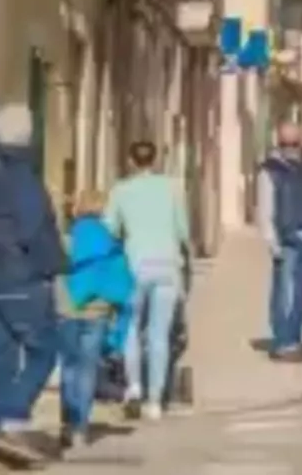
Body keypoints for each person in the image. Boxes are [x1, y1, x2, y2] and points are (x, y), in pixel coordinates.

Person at [0, 103, 67, 466]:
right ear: (29, 137)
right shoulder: (24, 178)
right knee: (44, 351)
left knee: (2, 359)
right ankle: (12, 419)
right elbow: (35, 230)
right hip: (22, 279)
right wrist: (53, 266)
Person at [104, 140, 191, 420]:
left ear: (131, 160)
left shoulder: (120, 190)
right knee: (159, 334)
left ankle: (134, 386)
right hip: (167, 266)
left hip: (135, 265)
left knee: (130, 328)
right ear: (155, 161)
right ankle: (155, 400)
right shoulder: (172, 188)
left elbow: (110, 229)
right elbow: (183, 231)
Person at [56, 189, 133, 451]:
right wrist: (118, 334)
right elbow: (123, 284)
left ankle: (67, 422)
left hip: (66, 310)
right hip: (97, 312)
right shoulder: (110, 242)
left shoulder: (67, 239)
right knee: (88, 369)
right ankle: (81, 428)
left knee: (68, 367)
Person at [256, 121, 302, 362]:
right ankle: (283, 341)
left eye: (295, 144)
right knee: (284, 292)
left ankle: (295, 338)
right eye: (286, 145)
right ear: (279, 144)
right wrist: (272, 243)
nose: (291, 150)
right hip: (287, 239)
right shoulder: (270, 171)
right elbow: (265, 210)